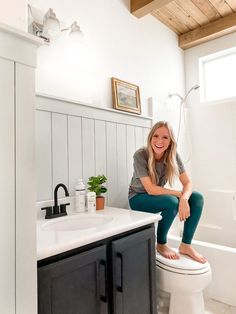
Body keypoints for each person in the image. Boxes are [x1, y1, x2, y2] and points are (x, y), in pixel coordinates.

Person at [128, 121, 206, 263]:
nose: (159, 141)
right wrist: (178, 195)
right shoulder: (140, 155)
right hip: (138, 198)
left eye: (165, 137)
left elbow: (187, 183)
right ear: (150, 138)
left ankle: (186, 245)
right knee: (171, 201)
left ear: (170, 141)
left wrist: (184, 199)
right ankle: (161, 244)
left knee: (197, 198)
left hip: (158, 196)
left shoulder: (172, 155)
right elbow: (151, 189)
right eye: (156, 136)